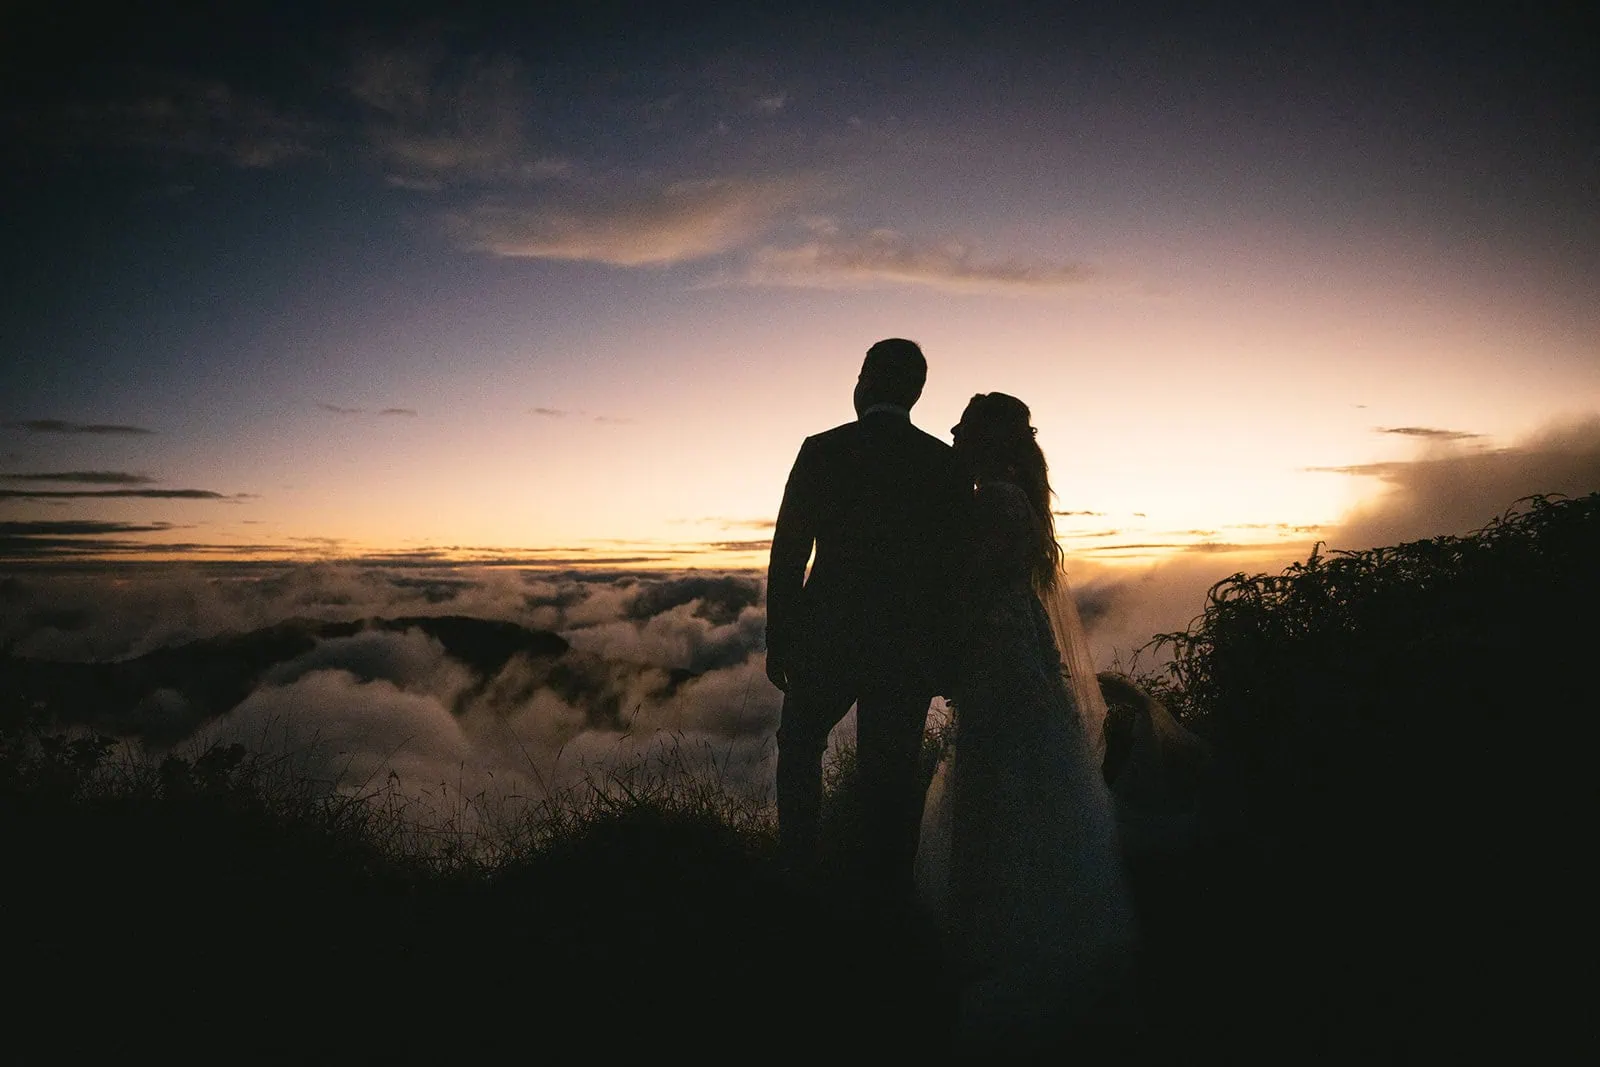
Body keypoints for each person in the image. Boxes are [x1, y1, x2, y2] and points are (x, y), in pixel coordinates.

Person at [913, 391, 1139, 1054]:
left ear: (987, 440)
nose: (952, 432)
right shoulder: (1006, 495)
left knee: (999, 789)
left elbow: (970, 584)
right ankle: (1008, 919)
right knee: (1017, 788)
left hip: (1001, 660)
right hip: (1008, 654)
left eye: (964, 426)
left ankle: (1004, 933)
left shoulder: (993, 500)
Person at [765, 338, 971, 910]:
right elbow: (957, 569)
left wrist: (779, 638)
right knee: (891, 770)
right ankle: (885, 887)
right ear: (916, 392)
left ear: (862, 383)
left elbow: (788, 554)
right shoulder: (943, 463)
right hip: (905, 645)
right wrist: (950, 654)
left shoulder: (821, 450)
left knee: (799, 746)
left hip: (824, 635)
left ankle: (799, 870)